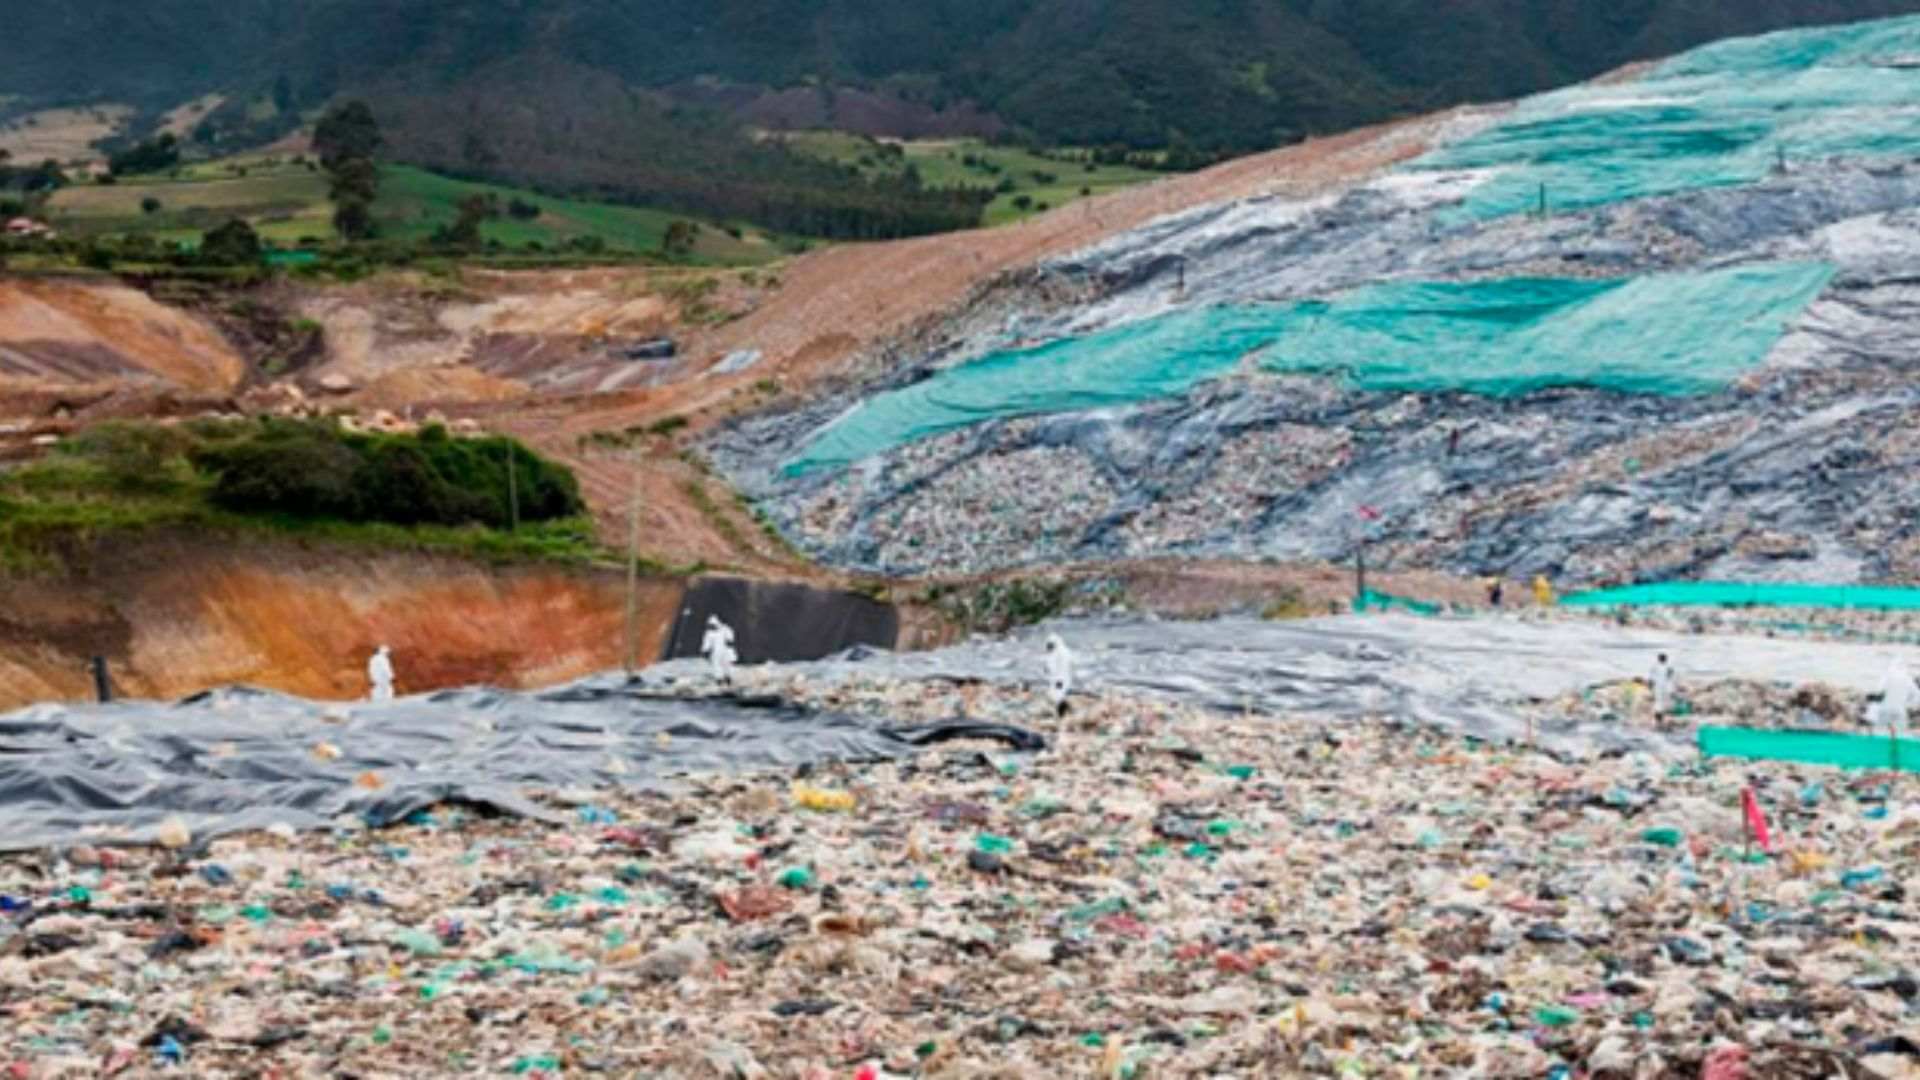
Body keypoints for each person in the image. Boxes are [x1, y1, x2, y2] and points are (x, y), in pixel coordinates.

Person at [1873, 655, 1916, 734]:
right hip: (1899, 710)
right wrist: (1907, 703)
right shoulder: (1908, 679)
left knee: (1881, 734)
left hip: (1885, 709)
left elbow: (1878, 691)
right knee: (1900, 734)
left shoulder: (1887, 676)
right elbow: (1917, 697)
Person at [701, 615, 737, 686]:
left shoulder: (725, 629)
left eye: (712, 625)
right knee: (716, 665)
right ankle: (719, 679)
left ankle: (728, 678)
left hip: (725, 650)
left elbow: (730, 637)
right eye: (710, 625)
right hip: (716, 651)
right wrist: (705, 650)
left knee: (727, 664)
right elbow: (707, 642)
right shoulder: (709, 633)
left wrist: (730, 640)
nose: (711, 626)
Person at [1045, 633, 1073, 718]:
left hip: (1061, 679)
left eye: (1051, 645)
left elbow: (1063, 667)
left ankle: (1064, 713)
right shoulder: (1056, 652)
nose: (1049, 647)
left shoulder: (1062, 652)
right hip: (1057, 679)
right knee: (1054, 696)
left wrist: (1060, 680)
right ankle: (1066, 711)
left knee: (1056, 696)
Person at [1650, 652, 1675, 722]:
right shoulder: (1669, 667)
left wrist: (1650, 687)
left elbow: (1651, 679)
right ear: (1666, 659)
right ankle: (1663, 717)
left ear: (1658, 659)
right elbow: (1671, 678)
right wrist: (1672, 690)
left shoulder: (1654, 667)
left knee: (1659, 702)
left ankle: (1659, 717)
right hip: (1666, 687)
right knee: (1665, 702)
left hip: (1658, 687)